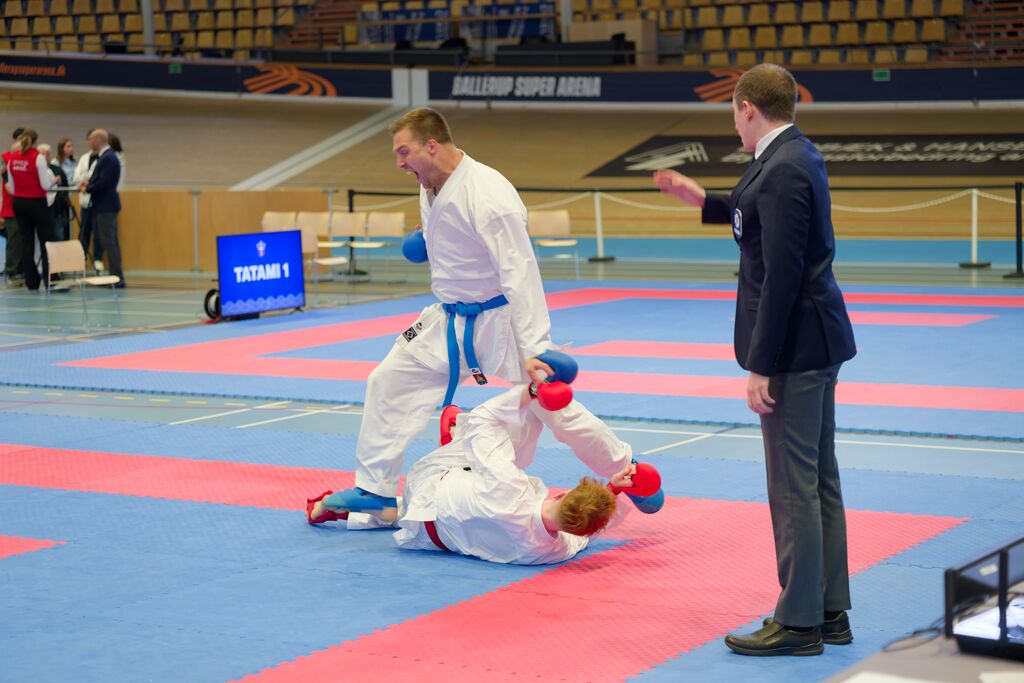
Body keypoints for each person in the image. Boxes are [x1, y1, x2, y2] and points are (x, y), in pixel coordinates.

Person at [654, 63, 857, 657]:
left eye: (734, 114)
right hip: (814, 340)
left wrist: (760, 364)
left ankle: (799, 623)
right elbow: (766, 220)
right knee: (816, 481)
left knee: (794, 488)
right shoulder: (792, 154)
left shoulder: (785, 164)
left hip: (794, 348)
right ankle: (828, 611)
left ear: (747, 107)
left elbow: (783, 273)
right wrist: (705, 201)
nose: (734, 125)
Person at [332, 107, 558, 509]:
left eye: (404, 152)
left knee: (548, 398)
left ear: (432, 146)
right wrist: (431, 240)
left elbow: (521, 273)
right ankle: (375, 489)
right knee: (387, 381)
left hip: (500, 318)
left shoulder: (489, 195)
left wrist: (537, 345)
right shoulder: (430, 182)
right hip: (448, 317)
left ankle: (623, 468)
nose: (400, 164)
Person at [308, 384, 649, 565]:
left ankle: (454, 437)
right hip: (428, 537)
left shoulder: (508, 487)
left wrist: (528, 393)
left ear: (567, 493)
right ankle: (337, 508)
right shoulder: (549, 553)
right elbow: (585, 536)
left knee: (509, 432)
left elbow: (486, 419)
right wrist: (615, 490)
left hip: (430, 484)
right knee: (404, 513)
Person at [6, 129, 56, 291]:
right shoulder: (38, 157)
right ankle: (49, 279)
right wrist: (54, 180)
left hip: (19, 202)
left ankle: (31, 281)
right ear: (35, 142)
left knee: (26, 241)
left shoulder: (12, 158)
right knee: (45, 240)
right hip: (36, 202)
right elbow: (45, 185)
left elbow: (12, 187)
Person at [81, 129, 124, 288]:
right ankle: (116, 277)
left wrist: (88, 187)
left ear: (99, 140)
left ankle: (117, 278)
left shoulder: (108, 158)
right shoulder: (107, 157)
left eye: (91, 139)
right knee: (111, 241)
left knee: (109, 242)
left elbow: (104, 182)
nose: (89, 142)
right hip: (105, 204)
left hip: (106, 205)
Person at [72, 128, 103, 272]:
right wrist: (85, 180)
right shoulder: (85, 158)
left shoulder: (103, 158)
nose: (90, 142)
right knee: (84, 230)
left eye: (92, 139)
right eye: (89, 139)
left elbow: (99, 179)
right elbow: (76, 177)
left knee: (98, 231)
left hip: (98, 201)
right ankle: (81, 258)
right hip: (85, 200)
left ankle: (97, 259)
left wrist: (87, 180)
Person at [2, 128, 26, 286]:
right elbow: (8, 185)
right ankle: (12, 272)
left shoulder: (28, 158)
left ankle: (20, 271)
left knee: (23, 241)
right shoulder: (6, 158)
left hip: (25, 207)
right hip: (11, 208)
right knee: (14, 241)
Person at [38, 144, 71, 242]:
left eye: (47, 154)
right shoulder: (36, 170)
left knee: (58, 235)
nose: (45, 156)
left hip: (57, 210)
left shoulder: (58, 170)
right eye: (42, 154)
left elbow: (65, 187)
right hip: (41, 208)